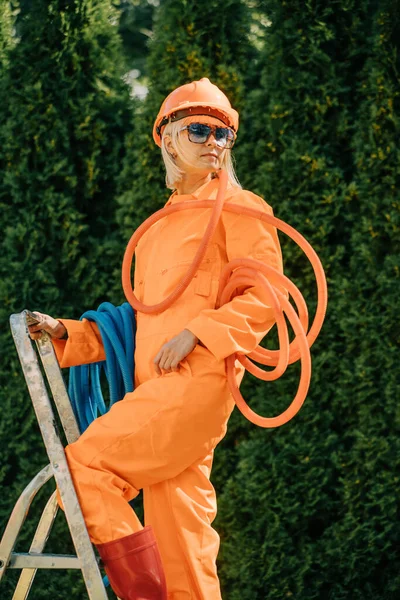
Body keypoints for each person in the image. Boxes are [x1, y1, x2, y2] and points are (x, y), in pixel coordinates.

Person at [28, 78, 286, 600]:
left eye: (224, 133)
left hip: (195, 385)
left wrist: (198, 332)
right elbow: (138, 320)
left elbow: (269, 297)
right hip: (160, 389)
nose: (214, 141)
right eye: (199, 129)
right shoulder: (158, 226)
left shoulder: (240, 205)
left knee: (80, 469)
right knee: (183, 540)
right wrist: (69, 334)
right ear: (168, 138)